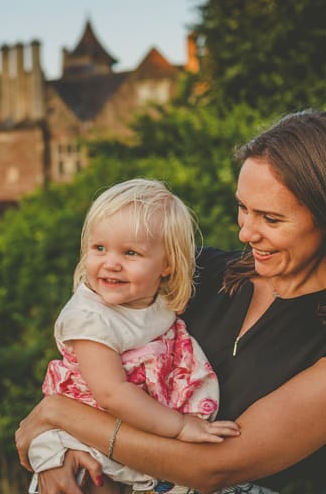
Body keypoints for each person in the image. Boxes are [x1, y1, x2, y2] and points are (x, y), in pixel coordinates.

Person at [16, 110, 326, 494]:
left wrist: (62, 415)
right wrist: (56, 449)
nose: (246, 232)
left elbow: (214, 468)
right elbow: (95, 359)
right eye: (243, 208)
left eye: (271, 219)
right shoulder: (199, 273)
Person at [28, 178, 241, 494]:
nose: (111, 263)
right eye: (99, 248)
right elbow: (112, 393)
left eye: (130, 253)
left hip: (133, 432)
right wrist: (180, 425)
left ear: (166, 265)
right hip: (85, 436)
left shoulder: (156, 303)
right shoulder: (90, 318)